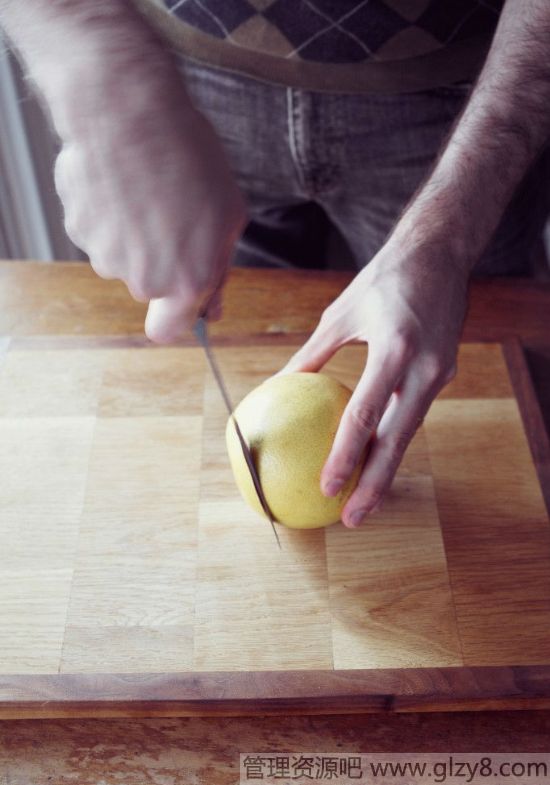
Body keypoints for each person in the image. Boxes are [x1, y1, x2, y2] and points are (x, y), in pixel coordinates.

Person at [1, 0, 549, 528]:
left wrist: (447, 240)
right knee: (241, 319)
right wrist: (103, 76)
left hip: (466, 88)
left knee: (491, 351)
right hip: (184, 77)